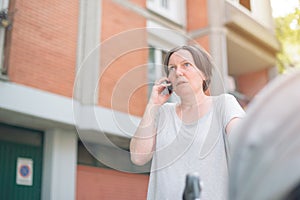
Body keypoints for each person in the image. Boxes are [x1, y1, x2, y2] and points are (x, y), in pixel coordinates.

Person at [130, 45, 245, 200]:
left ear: (204, 74)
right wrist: (153, 104)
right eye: (172, 68)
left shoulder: (223, 104)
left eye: (186, 65)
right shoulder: (163, 113)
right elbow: (138, 157)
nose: (178, 72)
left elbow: (245, 145)